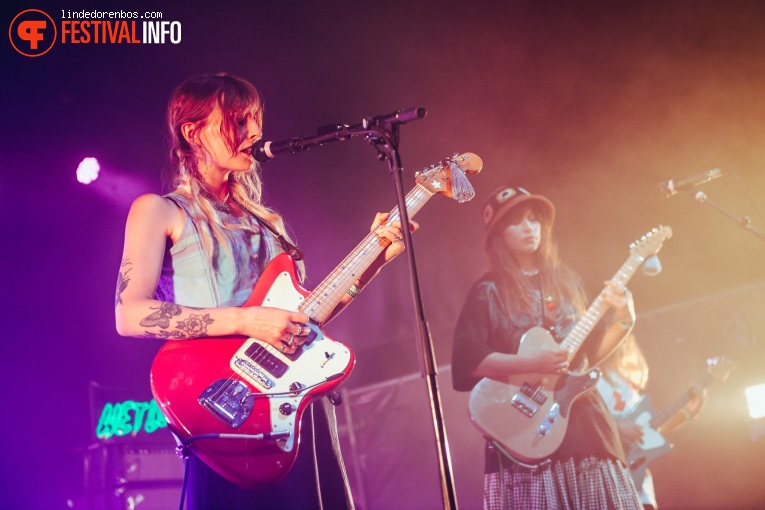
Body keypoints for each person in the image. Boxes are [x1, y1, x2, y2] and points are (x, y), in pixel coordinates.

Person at [114, 73, 413, 510]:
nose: (254, 133)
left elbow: (306, 319)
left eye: (255, 119)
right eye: (237, 121)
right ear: (193, 132)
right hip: (226, 407)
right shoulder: (159, 211)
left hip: (296, 407)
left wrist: (374, 262)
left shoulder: (269, 223)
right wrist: (245, 320)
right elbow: (129, 314)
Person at [451, 185, 643, 509]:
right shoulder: (488, 291)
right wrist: (532, 364)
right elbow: (467, 360)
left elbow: (588, 356)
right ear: (499, 234)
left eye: (534, 219)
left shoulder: (566, 280)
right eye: (517, 222)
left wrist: (626, 318)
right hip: (523, 432)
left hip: (586, 427)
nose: (530, 227)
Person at [596, 333, 706, 509]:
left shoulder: (629, 380)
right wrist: (616, 426)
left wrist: (687, 413)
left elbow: (649, 432)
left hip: (638, 481)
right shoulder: (591, 376)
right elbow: (581, 424)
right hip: (604, 477)